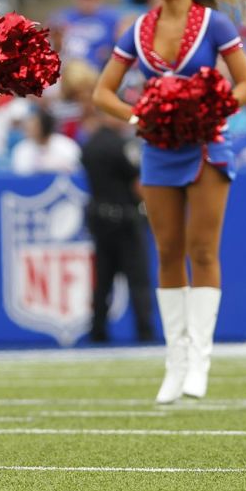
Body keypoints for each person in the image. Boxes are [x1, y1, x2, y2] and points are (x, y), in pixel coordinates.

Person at [93, 0, 246, 403]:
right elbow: (104, 93)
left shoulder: (214, 25)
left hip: (207, 146)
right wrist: (141, 113)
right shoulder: (137, 29)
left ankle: (200, 359)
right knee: (166, 252)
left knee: (202, 250)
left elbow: (245, 85)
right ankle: (175, 359)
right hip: (159, 150)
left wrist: (212, 108)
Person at [79, 106, 154, 343]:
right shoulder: (123, 145)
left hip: (100, 220)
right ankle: (144, 331)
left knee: (103, 281)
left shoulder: (89, 146)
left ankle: (97, 331)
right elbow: (137, 182)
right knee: (138, 280)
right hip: (126, 220)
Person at [10, 108, 82, 175]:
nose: (29, 128)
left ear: (44, 126)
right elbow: (20, 174)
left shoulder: (67, 146)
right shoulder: (21, 149)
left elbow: (75, 171)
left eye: (34, 126)